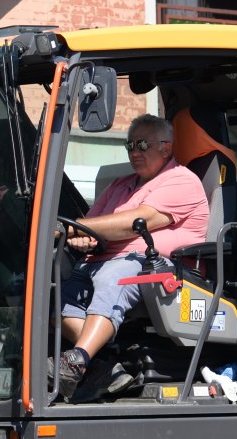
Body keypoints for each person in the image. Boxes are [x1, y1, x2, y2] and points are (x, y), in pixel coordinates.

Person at [57, 112, 209, 390]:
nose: (134, 152)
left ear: (166, 147)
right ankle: (104, 363)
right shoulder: (120, 185)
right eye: (130, 146)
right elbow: (91, 227)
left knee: (116, 275)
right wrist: (81, 238)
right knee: (53, 290)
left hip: (158, 267)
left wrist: (70, 229)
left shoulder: (181, 180)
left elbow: (135, 223)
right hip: (101, 259)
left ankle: (78, 359)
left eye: (142, 145)